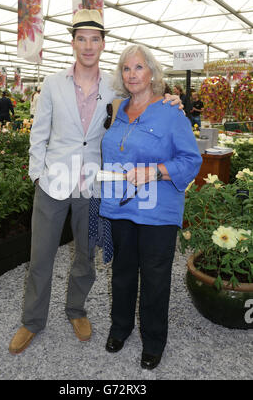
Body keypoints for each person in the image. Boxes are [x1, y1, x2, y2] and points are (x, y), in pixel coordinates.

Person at [8, 9, 182, 355]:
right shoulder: (53, 84)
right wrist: (37, 174)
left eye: (95, 39)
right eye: (81, 39)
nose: (88, 46)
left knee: (85, 255)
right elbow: (39, 134)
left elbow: (142, 102)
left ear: (103, 44)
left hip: (93, 184)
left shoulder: (114, 87)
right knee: (40, 255)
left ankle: (76, 310)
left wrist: (169, 99)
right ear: (73, 43)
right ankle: (32, 321)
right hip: (53, 183)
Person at [99, 45, 202, 370]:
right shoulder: (118, 108)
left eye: (139, 67)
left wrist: (155, 170)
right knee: (123, 272)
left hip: (157, 210)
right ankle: (121, 328)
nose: (132, 74)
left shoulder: (171, 112)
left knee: (156, 278)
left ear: (152, 73)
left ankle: (154, 341)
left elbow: (191, 159)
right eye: (127, 69)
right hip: (120, 205)